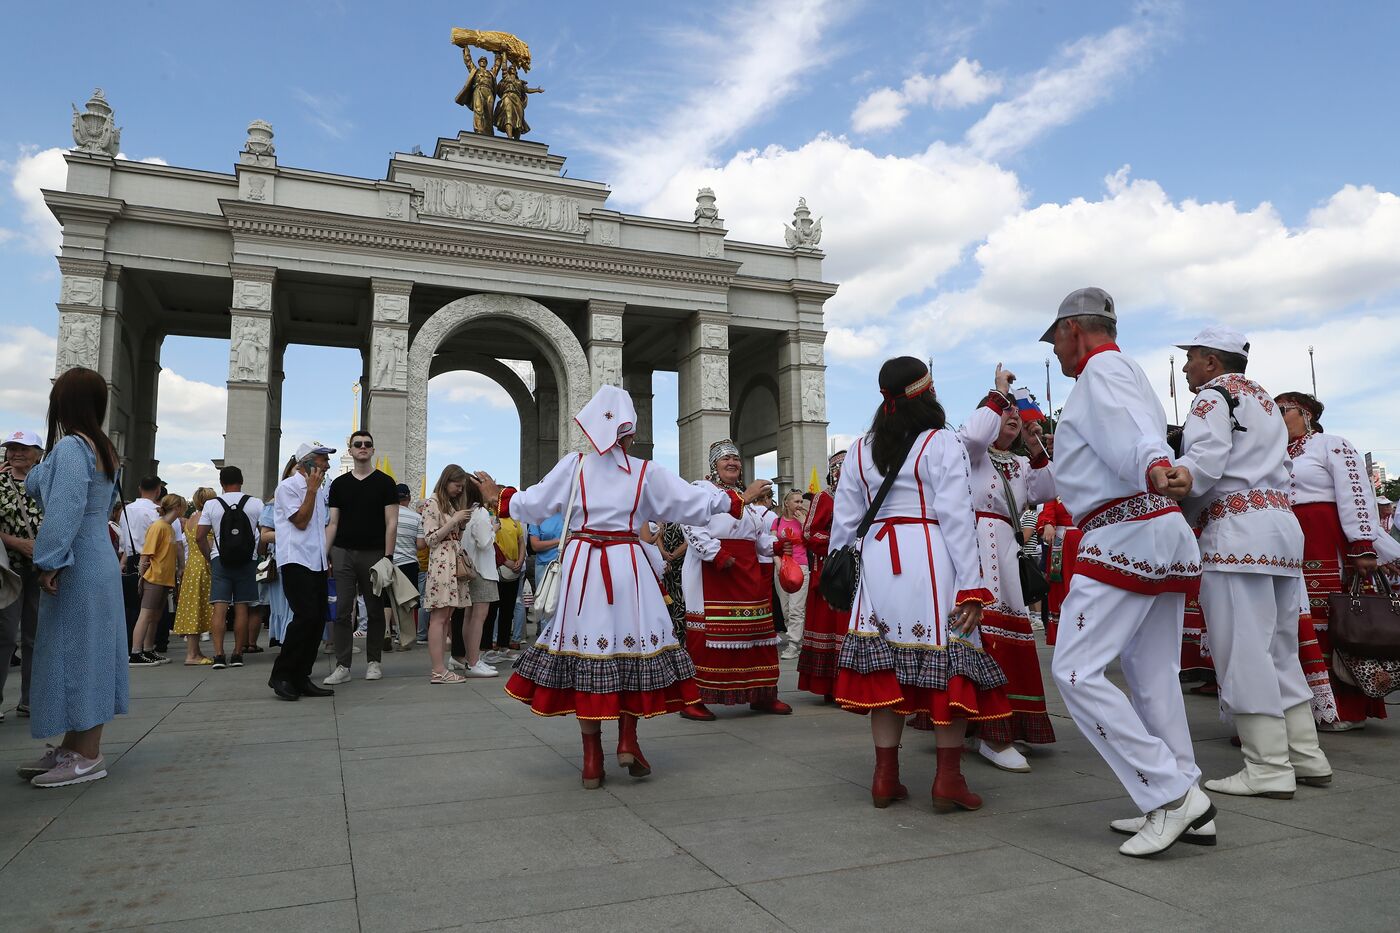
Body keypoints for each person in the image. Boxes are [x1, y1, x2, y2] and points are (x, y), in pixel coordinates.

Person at [481, 384, 770, 788]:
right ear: (630, 433)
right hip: (628, 567)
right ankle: (628, 741)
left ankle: (591, 760)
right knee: (632, 650)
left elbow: (535, 504)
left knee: (587, 657)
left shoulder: (574, 466)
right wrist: (736, 500)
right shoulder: (644, 472)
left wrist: (501, 496)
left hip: (585, 568)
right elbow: (692, 503)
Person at [1041, 288, 1213, 857]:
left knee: (1075, 670)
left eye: (1058, 341)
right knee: (1151, 669)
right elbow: (1138, 427)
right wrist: (1156, 463)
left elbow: (1130, 435)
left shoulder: (1101, 371)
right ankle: (1183, 789)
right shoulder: (1126, 370)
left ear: (1074, 332)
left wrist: (1154, 464)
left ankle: (1168, 795)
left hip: (1124, 529)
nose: (1059, 357)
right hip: (1155, 528)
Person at [830, 357, 1004, 813]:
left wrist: (842, 571)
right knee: (949, 666)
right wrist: (972, 586)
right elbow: (957, 516)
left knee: (884, 671)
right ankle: (948, 779)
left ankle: (884, 777)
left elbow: (845, 521)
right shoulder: (942, 442)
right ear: (927, 394)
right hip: (931, 558)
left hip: (877, 561)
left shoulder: (859, 448)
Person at [1174, 327, 1331, 799]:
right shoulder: (1264, 400)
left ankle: (1267, 766)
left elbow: (1204, 462)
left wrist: (1175, 491)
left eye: (1192, 358)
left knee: (1243, 648)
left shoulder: (1210, 398)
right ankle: (1306, 755)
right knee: (1281, 646)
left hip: (1237, 533)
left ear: (1211, 362)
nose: (1186, 368)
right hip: (1281, 529)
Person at [17, 367, 127, 786]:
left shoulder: (70, 448)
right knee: (90, 651)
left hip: (77, 560)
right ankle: (75, 746)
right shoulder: (102, 448)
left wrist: (49, 561)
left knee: (76, 653)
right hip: (98, 555)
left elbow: (62, 511)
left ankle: (87, 755)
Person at [1277, 391, 1400, 730]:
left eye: (1282, 410)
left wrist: (1362, 546)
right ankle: (1308, 708)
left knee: (1335, 622)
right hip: (1289, 542)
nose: (1275, 416)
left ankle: (1344, 709)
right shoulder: (1274, 452)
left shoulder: (1331, 444)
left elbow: (1356, 493)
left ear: (1305, 414)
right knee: (1295, 624)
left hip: (1325, 539)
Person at [955, 365, 1057, 772]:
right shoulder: (972, 454)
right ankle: (986, 732)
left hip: (1007, 556)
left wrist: (1036, 447)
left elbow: (1049, 488)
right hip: (975, 549)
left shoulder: (1017, 465)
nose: (1013, 415)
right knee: (979, 631)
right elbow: (977, 434)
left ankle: (1002, 725)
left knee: (1009, 631)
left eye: (1017, 412)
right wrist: (999, 391)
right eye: (1004, 411)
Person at [680, 440, 789, 720]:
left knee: (759, 636)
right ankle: (693, 698)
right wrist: (716, 554)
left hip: (747, 573)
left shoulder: (746, 500)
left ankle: (762, 694)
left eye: (736, 459)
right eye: (725, 458)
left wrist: (775, 545)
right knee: (705, 637)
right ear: (713, 465)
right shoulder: (701, 490)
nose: (733, 463)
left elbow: (754, 535)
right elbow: (690, 524)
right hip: (713, 572)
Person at [324, 431, 399, 685]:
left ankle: (373, 661)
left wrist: (388, 556)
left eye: (368, 444)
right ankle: (343, 665)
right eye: (358, 444)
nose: (363, 447)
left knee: (376, 609)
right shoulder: (339, 484)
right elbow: (333, 523)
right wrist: (325, 554)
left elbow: (392, 523)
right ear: (351, 449)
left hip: (375, 553)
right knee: (343, 609)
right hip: (343, 552)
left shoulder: (386, 483)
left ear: (373, 450)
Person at [266, 442, 338, 701]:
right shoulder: (287, 487)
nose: (327, 466)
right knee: (305, 616)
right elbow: (300, 520)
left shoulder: (318, 491)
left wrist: (325, 558)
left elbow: (319, 528)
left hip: (315, 561)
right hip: (295, 559)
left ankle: (301, 675)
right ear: (307, 463)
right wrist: (310, 490)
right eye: (322, 461)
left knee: (318, 619)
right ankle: (282, 674)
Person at [196, 466, 264, 669]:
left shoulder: (212, 504)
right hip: (247, 560)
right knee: (242, 607)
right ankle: (237, 654)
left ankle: (218, 655)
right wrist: (258, 553)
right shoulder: (255, 503)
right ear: (241, 481)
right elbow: (265, 533)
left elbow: (200, 536)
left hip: (220, 559)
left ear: (221, 483)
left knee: (220, 607)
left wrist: (210, 557)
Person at [797, 450, 849, 701]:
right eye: (839, 470)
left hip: (856, 574)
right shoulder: (824, 498)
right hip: (830, 574)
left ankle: (850, 686)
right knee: (829, 626)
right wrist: (839, 545)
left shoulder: (862, 498)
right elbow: (809, 533)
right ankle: (830, 686)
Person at [0, 430, 45, 722]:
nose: (16, 453)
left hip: (42, 570)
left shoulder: (46, 483)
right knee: (4, 635)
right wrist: (16, 543)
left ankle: (31, 699)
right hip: (7, 570)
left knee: (36, 637)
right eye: (12, 448)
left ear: (38, 453)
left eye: (23, 448)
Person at [117, 474, 186, 651]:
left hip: (132, 557)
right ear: (158, 490)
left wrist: (123, 562)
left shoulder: (126, 510)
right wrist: (180, 566)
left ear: (140, 488)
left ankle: (134, 645)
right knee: (151, 612)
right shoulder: (158, 517)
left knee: (133, 607)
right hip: (153, 563)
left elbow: (124, 541)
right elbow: (176, 544)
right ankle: (148, 646)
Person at [420, 465, 474, 684]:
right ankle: (438, 670)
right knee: (439, 617)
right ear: (446, 481)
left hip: (451, 562)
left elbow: (452, 536)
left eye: (462, 487)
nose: (459, 490)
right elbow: (430, 539)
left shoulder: (447, 504)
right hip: (442, 563)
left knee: (445, 617)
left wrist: (461, 524)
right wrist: (454, 520)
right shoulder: (431, 504)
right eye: (457, 485)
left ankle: (440, 669)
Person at [131, 494, 186, 665]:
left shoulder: (168, 527)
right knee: (146, 615)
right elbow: (146, 555)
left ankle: (148, 649)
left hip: (163, 578)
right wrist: (141, 577)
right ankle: (135, 652)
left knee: (154, 616)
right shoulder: (159, 527)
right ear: (177, 508)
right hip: (154, 577)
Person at [173, 487, 215, 665]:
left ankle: (195, 652)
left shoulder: (191, 518)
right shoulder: (206, 519)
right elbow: (209, 542)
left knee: (192, 607)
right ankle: (192, 654)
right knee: (198, 608)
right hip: (203, 564)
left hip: (192, 566)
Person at [1035, 497, 1079, 646]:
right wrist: (1047, 524)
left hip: (1087, 541)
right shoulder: (1056, 489)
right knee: (1061, 589)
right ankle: (1065, 640)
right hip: (1062, 545)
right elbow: (1047, 511)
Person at [483, 507, 525, 663]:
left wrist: (520, 560)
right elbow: (491, 543)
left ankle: (503, 645)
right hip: (498, 570)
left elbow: (521, 542)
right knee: (492, 610)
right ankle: (486, 647)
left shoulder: (515, 520)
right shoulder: (492, 519)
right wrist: (506, 562)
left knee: (508, 610)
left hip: (513, 569)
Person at [772, 491, 809, 661]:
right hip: (782, 567)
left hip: (800, 567)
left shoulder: (805, 520)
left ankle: (793, 644)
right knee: (786, 609)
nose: (800, 504)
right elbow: (772, 545)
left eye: (801, 501)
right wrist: (777, 562)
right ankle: (799, 640)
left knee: (796, 609)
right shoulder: (777, 521)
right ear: (786, 503)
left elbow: (813, 541)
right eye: (796, 501)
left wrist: (805, 523)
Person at [388, 483, 424, 647]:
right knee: (406, 601)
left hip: (388, 560)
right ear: (409, 498)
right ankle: (404, 638)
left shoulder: (385, 515)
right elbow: (421, 544)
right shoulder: (416, 517)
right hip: (408, 563)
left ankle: (386, 632)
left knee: (386, 600)